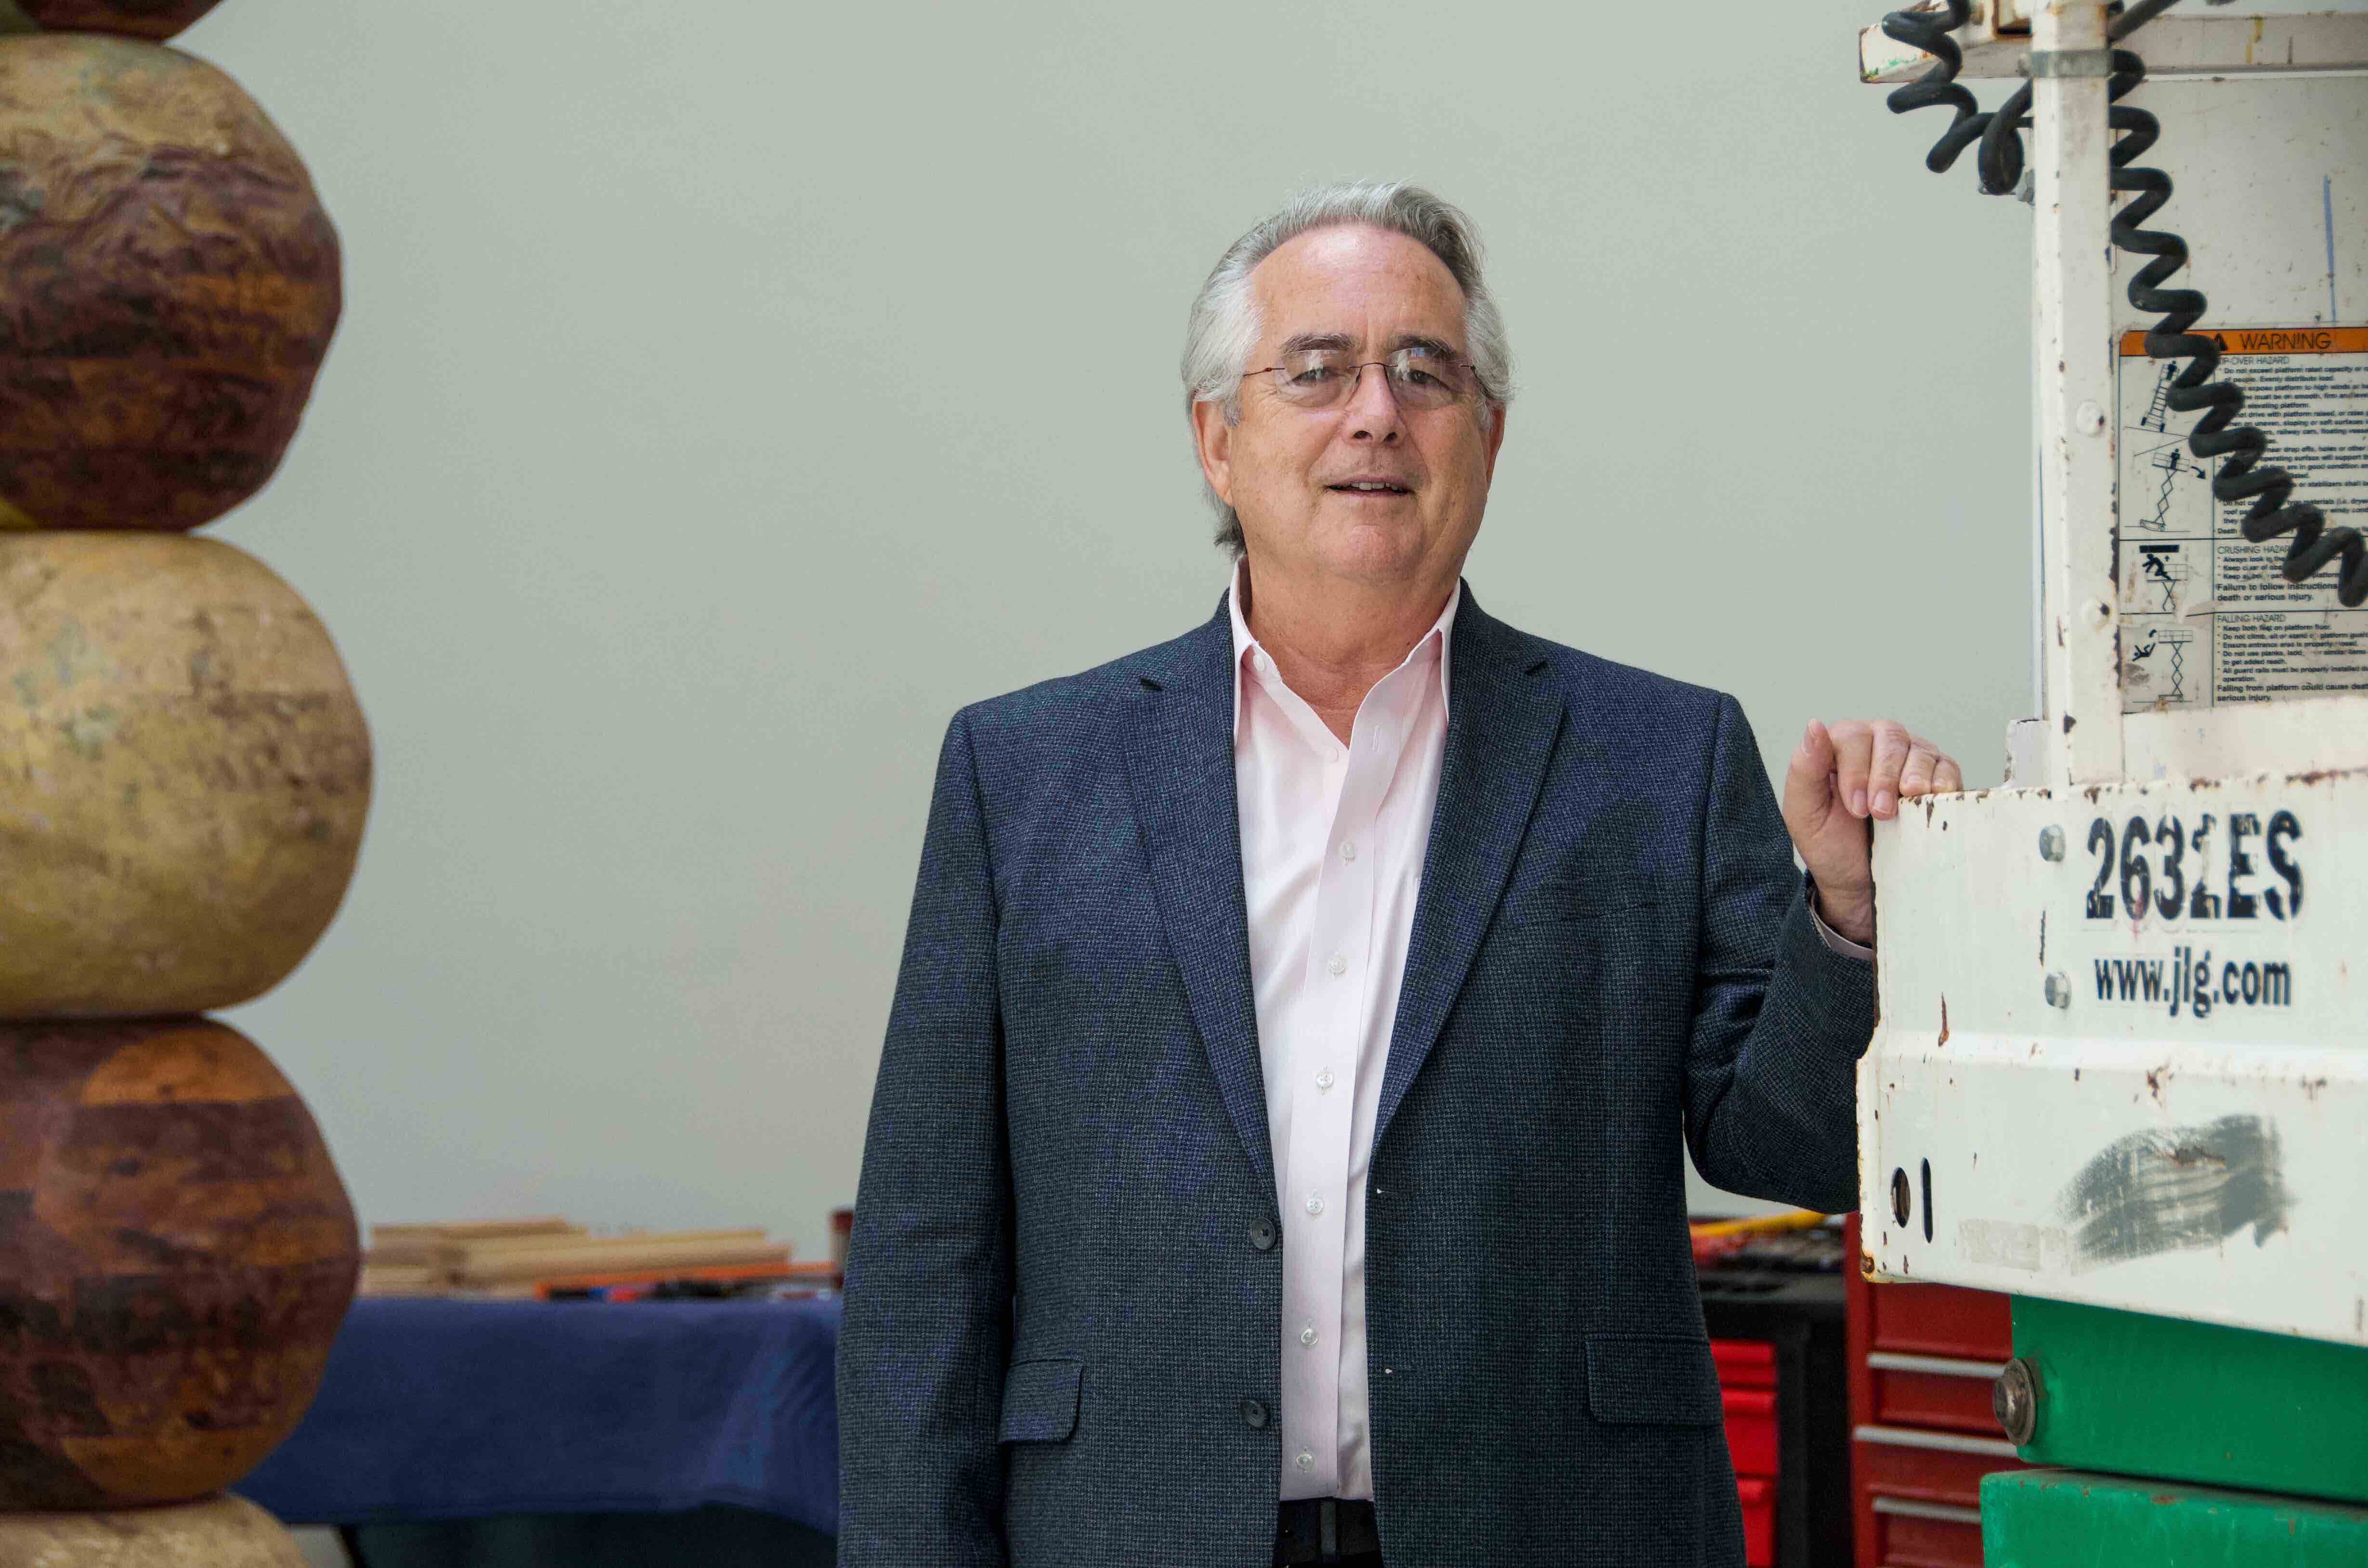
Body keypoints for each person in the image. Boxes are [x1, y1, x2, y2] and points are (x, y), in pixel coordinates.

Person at [837, 181, 1962, 1568]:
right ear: (1216, 439)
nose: (1376, 411)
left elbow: (1789, 1149)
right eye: (1317, 370)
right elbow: (925, 1255)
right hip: (1131, 1525)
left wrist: (1846, 919)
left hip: (1553, 1524)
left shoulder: (1656, 759)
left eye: (1426, 373)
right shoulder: (1026, 775)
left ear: (1488, 439)